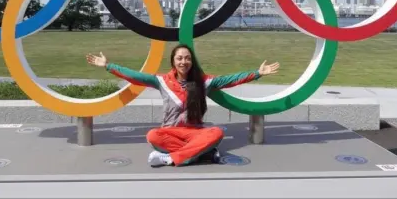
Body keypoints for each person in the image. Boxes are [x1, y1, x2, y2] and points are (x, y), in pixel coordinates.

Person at [86, 43, 279, 167]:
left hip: (194, 132)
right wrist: (108, 66)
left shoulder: (203, 81)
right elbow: (136, 77)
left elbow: (230, 80)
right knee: (153, 135)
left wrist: (257, 73)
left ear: (191, 61)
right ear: (173, 61)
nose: (183, 61)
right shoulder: (161, 81)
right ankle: (202, 154)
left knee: (216, 132)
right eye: (179, 58)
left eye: (187, 58)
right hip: (171, 132)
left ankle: (170, 158)